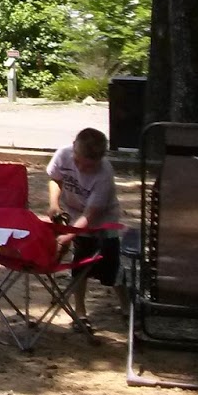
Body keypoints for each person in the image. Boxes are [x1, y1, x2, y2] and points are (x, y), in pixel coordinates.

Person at [46, 126, 122, 324]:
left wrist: (68, 236)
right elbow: (55, 180)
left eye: (89, 167)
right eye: (78, 162)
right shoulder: (63, 155)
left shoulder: (104, 174)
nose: (81, 169)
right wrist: (54, 204)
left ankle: (126, 305)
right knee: (80, 266)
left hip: (102, 221)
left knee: (112, 268)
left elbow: (90, 215)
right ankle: (80, 311)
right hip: (74, 214)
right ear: (74, 148)